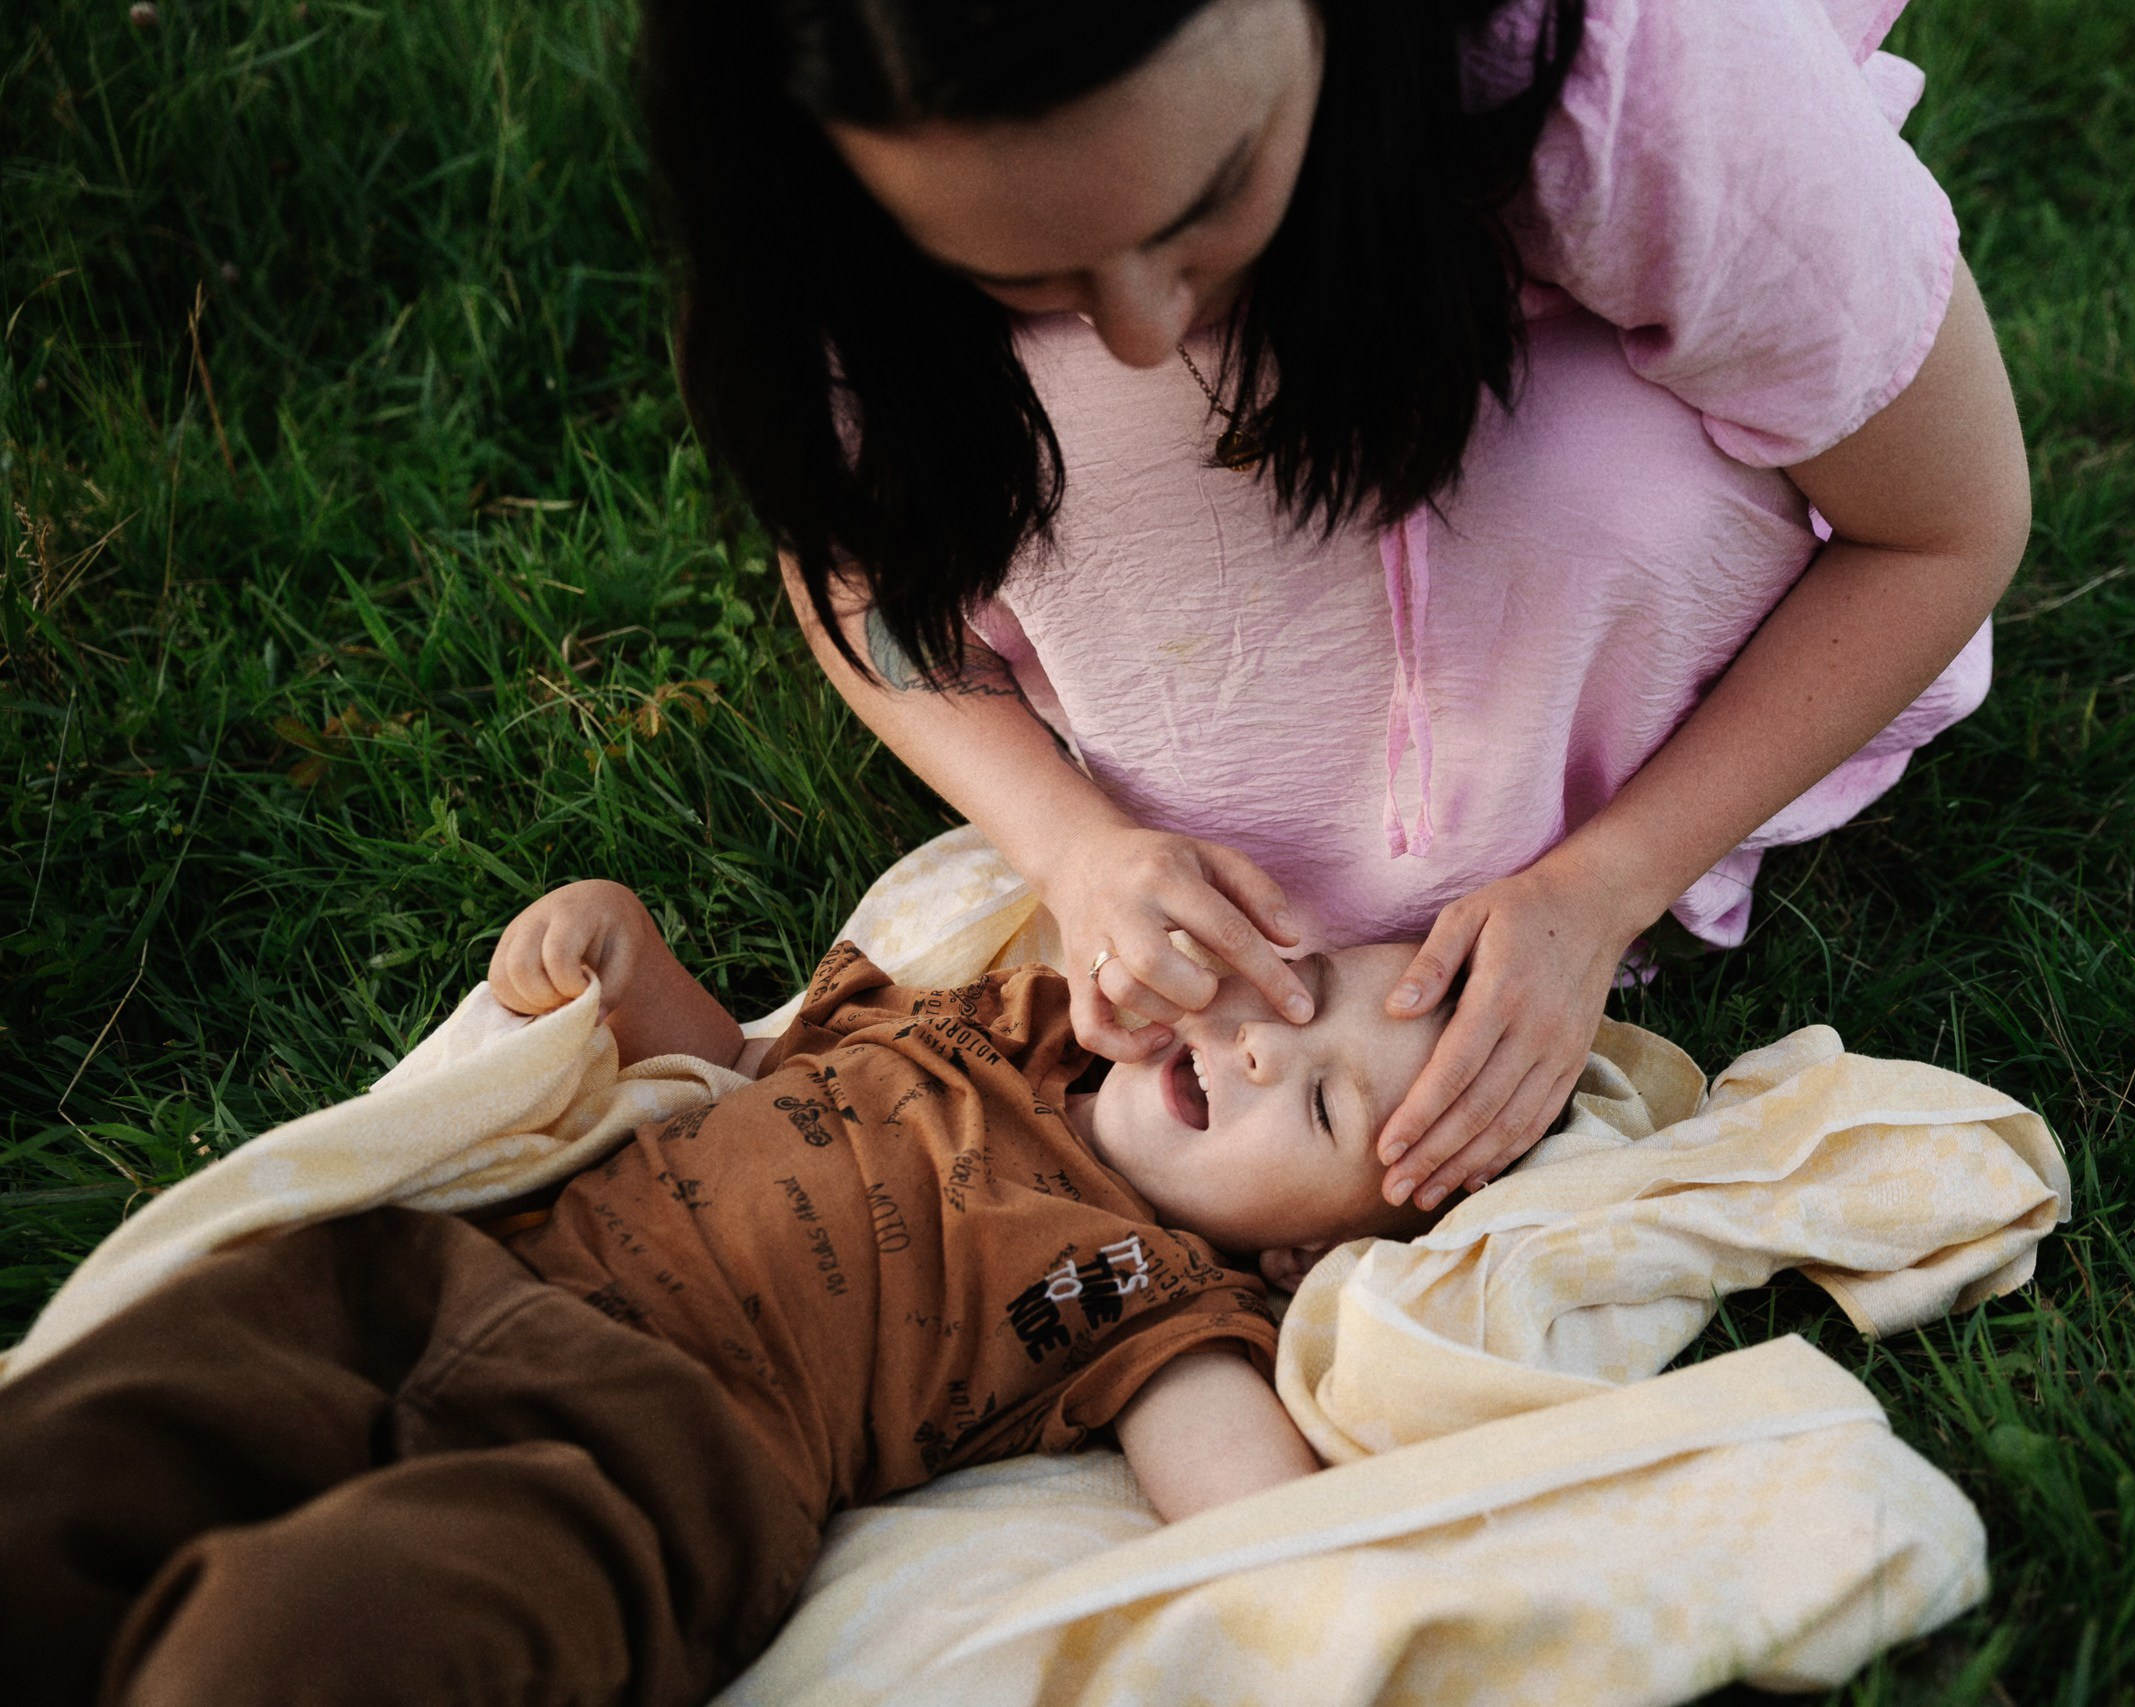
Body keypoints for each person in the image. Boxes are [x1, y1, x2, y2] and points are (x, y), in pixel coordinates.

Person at [644, 0, 2031, 1216]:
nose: (1138, 335)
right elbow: (859, 574)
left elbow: (1942, 531)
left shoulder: (1636, 78)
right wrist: (1069, 847)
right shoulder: (808, 167)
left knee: (1590, 482)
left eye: (1205, 199)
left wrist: (1605, 886)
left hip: (1607, 554)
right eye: (1031, 278)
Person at [0, 880, 1461, 1707]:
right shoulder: (996, 1014)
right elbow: (745, 1066)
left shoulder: (1146, 1289)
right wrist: (631, 970)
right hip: (439, 1279)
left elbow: (1263, 1520)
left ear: (1299, 1258)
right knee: (88, 1444)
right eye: (1298, 990)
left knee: (333, 1632)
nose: (1271, 1048)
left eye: (1324, 1110)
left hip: (656, 1449)